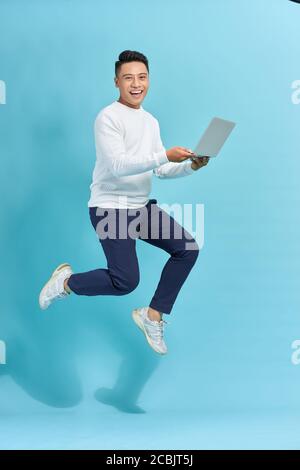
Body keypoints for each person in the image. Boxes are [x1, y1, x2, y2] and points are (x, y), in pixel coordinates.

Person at [39, 50, 209, 355]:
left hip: (140, 207)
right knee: (125, 281)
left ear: (149, 81)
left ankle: (152, 315)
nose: (136, 84)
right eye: (128, 77)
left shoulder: (151, 121)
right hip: (110, 208)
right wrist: (164, 155)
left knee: (187, 249)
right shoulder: (107, 118)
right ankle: (66, 283)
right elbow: (118, 165)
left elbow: (160, 169)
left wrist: (189, 165)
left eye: (142, 77)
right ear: (117, 81)